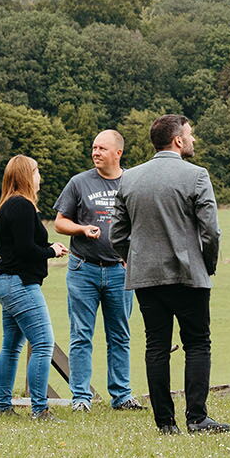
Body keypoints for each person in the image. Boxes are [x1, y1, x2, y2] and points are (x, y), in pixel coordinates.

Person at [110, 114, 230, 435]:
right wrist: (209, 265)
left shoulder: (130, 179)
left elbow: (117, 235)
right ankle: (197, 417)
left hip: (146, 276)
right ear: (177, 140)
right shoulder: (196, 176)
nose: (192, 140)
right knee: (197, 344)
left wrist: (132, 259)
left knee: (156, 347)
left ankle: (165, 423)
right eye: (189, 135)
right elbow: (211, 231)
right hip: (189, 274)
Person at [53, 129, 144, 413]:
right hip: (84, 269)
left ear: (118, 153)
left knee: (120, 334)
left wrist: (134, 255)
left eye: (102, 148)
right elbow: (59, 222)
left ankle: (122, 395)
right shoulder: (79, 183)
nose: (96, 153)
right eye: (94, 148)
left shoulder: (132, 182)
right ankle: (81, 397)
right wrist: (81, 228)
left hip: (119, 270)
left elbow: (142, 222)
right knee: (81, 334)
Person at [0, 154, 68, 420]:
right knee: (44, 343)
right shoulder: (22, 206)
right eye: (36, 171)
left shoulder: (6, 206)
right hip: (20, 283)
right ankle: (40, 409)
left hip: (6, 281)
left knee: (11, 346)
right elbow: (25, 249)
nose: (39, 177)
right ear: (26, 175)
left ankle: (2, 405)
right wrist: (52, 250)